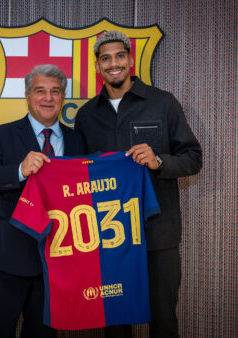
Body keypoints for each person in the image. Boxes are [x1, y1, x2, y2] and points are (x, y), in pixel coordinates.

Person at [75, 31, 202, 337]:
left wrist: (159, 161)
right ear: (97, 66)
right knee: (115, 323)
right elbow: (78, 175)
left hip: (158, 233)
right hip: (110, 238)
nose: (113, 63)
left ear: (130, 60)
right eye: (105, 58)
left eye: (119, 56)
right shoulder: (86, 116)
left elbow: (193, 158)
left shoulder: (163, 103)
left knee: (163, 320)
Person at [0, 64, 84, 337]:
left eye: (55, 92)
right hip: (7, 256)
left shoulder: (77, 140)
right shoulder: (0, 134)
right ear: (27, 95)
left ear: (63, 97)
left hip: (57, 260)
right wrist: (19, 170)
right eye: (40, 91)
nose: (48, 98)